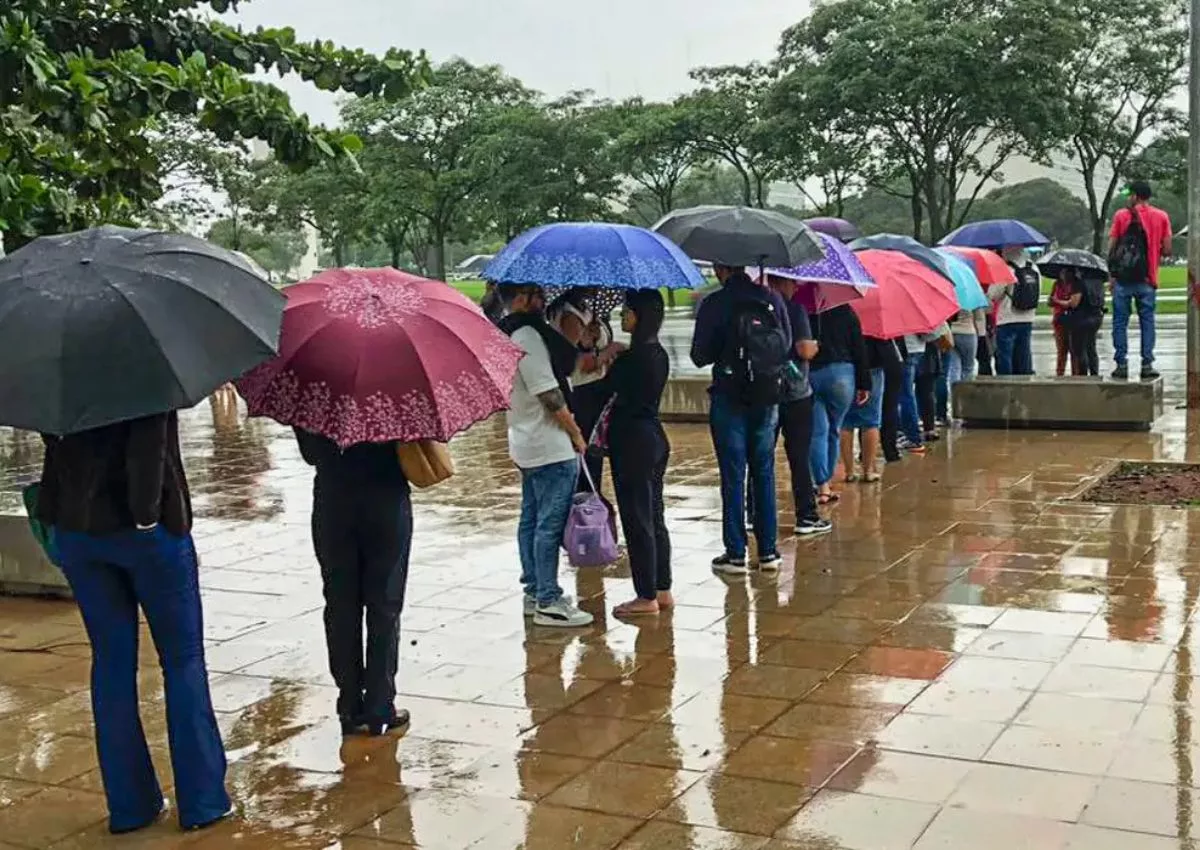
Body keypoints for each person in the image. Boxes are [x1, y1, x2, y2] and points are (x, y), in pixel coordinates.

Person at [36, 414, 230, 834]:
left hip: (77, 529)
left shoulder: (55, 366)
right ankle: (203, 800)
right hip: (145, 532)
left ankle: (130, 806)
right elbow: (149, 447)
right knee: (183, 662)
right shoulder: (145, 360)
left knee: (110, 663)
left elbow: (53, 446)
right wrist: (146, 516)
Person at [295, 427, 412, 736]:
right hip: (386, 498)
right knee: (385, 604)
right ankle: (379, 706)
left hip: (333, 502)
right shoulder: (395, 382)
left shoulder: (309, 387)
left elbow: (310, 455)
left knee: (340, 604)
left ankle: (348, 704)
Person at [498, 284, 594, 628]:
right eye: (537, 296)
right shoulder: (528, 336)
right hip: (548, 445)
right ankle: (548, 600)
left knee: (531, 518)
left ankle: (534, 589)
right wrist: (576, 433)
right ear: (521, 299)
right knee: (548, 524)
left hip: (525, 441)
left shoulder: (505, 334)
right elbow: (548, 394)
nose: (544, 302)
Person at [691, 262, 791, 574]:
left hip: (729, 395)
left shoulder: (714, 303)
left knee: (733, 475)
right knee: (764, 471)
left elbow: (699, 356)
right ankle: (769, 552)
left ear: (721, 268)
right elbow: (785, 345)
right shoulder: (772, 299)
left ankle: (735, 552)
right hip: (766, 396)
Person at [606, 289, 673, 615]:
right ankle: (662, 588)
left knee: (637, 519)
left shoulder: (631, 360)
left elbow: (602, 390)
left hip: (631, 442)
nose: (622, 317)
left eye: (626, 312)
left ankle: (645, 595)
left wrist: (605, 356)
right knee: (655, 516)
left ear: (640, 315)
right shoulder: (658, 354)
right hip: (655, 438)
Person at [765, 275, 831, 536]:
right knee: (799, 457)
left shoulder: (759, 307)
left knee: (761, 456)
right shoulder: (794, 310)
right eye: (793, 282)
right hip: (795, 393)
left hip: (764, 392)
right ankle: (806, 516)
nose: (796, 287)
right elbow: (804, 350)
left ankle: (753, 512)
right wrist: (815, 347)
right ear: (783, 282)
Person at [1109, 180, 1172, 380]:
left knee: (1120, 322)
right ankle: (1147, 363)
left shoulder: (1121, 215)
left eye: (1130, 194)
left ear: (1135, 195)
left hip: (1123, 280)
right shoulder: (1161, 216)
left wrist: (1112, 275)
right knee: (1147, 322)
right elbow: (1168, 249)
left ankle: (1121, 363)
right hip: (1148, 279)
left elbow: (1112, 247)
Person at [809, 304, 870, 504]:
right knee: (834, 430)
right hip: (842, 374)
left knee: (817, 432)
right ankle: (826, 480)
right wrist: (864, 384)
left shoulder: (803, 310)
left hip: (811, 373)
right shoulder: (847, 311)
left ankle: (821, 485)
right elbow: (859, 349)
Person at [841, 336, 899, 483]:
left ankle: (849, 471)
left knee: (845, 422)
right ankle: (868, 471)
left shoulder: (841, 314)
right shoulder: (877, 318)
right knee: (871, 421)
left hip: (846, 366)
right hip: (873, 367)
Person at [990, 248, 1039, 376]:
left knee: (1005, 356)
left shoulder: (1005, 269)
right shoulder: (1033, 267)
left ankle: (1006, 383)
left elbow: (993, 294)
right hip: (1027, 317)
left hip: (1007, 318)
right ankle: (1025, 381)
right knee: (1024, 353)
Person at [936, 306, 985, 421]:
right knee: (968, 368)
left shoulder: (948, 293)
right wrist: (981, 335)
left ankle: (955, 404)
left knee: (954, 369)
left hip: (951, 334)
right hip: (968, 332)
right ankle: (966, 405)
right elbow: (979, 317)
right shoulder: (971, 294)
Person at [1064, 270, 1106, 377]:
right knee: (1091, 347)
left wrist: (1059, 301)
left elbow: (1074, 303)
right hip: (1096, 317)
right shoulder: (1098, 282)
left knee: (1080, 349)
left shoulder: (1079, 283)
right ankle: (1094, 373)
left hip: (1081, 318)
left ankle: (1083, 374)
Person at [1048, 274, 1076, 376]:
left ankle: (1075, 375)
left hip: (1072, 320)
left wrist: (1058, 301)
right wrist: (1053, 301)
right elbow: (1050, 301)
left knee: (1074, 351)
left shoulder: (1075, 285)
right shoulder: (1056, 284)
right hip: (1059, 319)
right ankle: (1059, 374)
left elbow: (1073, 303)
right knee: (1061, 351)